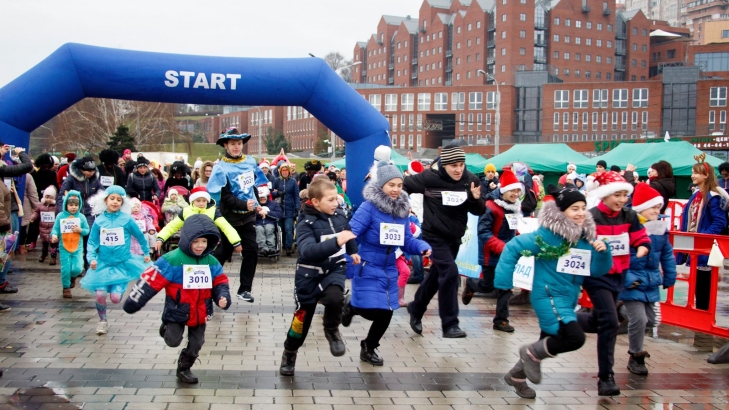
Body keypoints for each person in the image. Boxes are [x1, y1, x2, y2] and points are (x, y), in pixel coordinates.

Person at [496, 185, 613, 399]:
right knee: (574, 338)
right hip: (548, 296)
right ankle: (529, 354)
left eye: (583, 208)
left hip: (568, 299)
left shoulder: (585, 238)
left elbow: (596, 271)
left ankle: (517, 376)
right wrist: (504, 282)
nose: (580, 213)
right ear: (561, 212)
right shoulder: (548, 236)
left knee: (547, 342)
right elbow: (513, 247)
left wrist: (604, 253)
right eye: (574, 209)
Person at [342, 162, 431, 365]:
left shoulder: (402, 210)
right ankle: (351, 306)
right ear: (381, 185)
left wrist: (422, 246)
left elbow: (407, 241)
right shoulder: (369, 208)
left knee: (387, 311)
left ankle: (369, 347)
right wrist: (348, 262)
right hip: (367, 264)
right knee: (369, 309)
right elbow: (350, 234)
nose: (396, 189)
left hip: (389, 268)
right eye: (391, 185)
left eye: (399, 185)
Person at [124, 214, 231, 383]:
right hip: (177, 309)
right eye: (196, 241)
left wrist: (222, 296)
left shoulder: (211, 261)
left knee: (197, 343)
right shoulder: (171, 259)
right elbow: (152, 280)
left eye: (204, 241)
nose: (200, 246)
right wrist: (134, 301)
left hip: (201, 310)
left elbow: (220, 281)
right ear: (187, 239)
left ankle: (184, 368)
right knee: (172, 341)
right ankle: (166, 327)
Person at [579, 171, 651, 396]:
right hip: (597, 275)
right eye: (616, 195)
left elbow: (640, 236)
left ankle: (564, 319)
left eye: (624, 195)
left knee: (597, 320)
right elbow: (578, 244)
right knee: (610, 321)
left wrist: (642, 246)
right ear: (605, 195)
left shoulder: (629, 216)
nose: (621, 200)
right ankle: (606, 377)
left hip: (619, 275)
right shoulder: (591, 217)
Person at [279, 178, 360, 376]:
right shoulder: (305, 222)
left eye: (336, 198)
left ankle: (332, 330)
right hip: (309, 275)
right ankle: (290, 351)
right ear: (315, 202)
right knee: (301, 322)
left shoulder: (340, 215)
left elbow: (347, 232)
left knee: (335, 298)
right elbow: (307, 251)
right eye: (330, 200)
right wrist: (336, 242)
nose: (335, 203)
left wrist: (353, 251)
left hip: (334, 269)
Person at [404, 144, 485, 338]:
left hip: (455, 238)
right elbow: (404, 185)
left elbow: (479, 211)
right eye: (453, 165)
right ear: (444, 165)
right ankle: (450, 325)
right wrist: (402, 205)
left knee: (435, 277)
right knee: (450, 273)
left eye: (461, 165)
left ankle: (416, 307)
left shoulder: (470, 180)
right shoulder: (429, 178)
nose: (458, 169)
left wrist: (475, 199)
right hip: (433, 236)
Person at [618, 183, 676, 376]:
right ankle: (636, 356)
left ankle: (619, 310)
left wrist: (670, 275)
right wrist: (627, 278)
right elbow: (619, 256)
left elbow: (666, 253)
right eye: (653, 207)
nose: (657, 211)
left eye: (658, 207)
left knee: (652, 320)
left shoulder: (659, 229)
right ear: (641, 208)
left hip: (650, 281)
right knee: (640, 319)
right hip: (632, 282)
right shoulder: (628, 227)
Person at [207, 128, 268, 302]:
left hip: (247, 217)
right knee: (223, 253)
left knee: (252, 250)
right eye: (233, 144)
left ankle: (244, 289)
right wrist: (243, 204)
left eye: (239, 143)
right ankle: (209, 286)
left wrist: (257, 205)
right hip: (230, 218)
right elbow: (225, 197)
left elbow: (251, 188)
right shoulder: (220, 168)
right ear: (225, 145)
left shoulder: (249, 162)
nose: (236, 147)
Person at [82, 186, 151, 335]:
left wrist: (146, 252)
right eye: (112, 199)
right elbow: (92, 242)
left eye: (119, 200)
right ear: (105, 201)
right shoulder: (99, 221)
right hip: (103, 264)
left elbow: (140, 236)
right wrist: (91, 258)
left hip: (122, 264)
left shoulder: (127, 219)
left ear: (123, 203)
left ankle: (119, 288)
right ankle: (102, 321)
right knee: (100, 294)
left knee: (115, 298)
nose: (115, 202)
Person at [462, 168, 522, 333]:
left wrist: (520, 241)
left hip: (507, 256)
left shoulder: (514, 207)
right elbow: (483, 232)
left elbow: (513, 228)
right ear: (504, 190)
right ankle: (472, 284)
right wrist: (502, 247)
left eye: (518, 191)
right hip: (490, 255)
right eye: (512, 190)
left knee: (506, 287)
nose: (515, 194)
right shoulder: (490, 206)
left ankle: (501, 320)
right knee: (488, 287)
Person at [676, 156, 728, 311]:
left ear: (706, 175)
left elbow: (720, 221)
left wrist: (703, 237)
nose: (692, 175)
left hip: (704, 247)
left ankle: (704, 315)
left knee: (704, 286)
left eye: (696, 173)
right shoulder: (696, 194)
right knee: (698, 285)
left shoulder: (713, 197)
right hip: (695, 246)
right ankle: (700, 313)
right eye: (692, 172)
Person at [56, 156, 103, 272]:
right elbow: (61, 196)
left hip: (90, 213)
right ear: (81, 170)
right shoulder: (71, 179)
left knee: (89, 236)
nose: (91, 173)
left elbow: (102, 193)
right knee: (75, 239)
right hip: (74, 214)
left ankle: (88, 263)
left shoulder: (95, 179)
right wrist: (62, 213)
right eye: (88, 170)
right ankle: (75, 264)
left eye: (93, 170)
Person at [50, 191, 90, 299]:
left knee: (78, 268)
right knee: (65, 269)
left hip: (77, 247)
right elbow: (55, 229)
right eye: (71, 205)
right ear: (66, 204)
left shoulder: (81, 217)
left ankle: (73, 277)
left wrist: (80, 230)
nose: (73, 207)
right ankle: (66, 288)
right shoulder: (60, 216)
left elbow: (87, 230)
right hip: (64, 247)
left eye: (76, 205)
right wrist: (54, 235)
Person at [272, 163, 300, 256]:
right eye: (283, 171)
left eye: (286, 171)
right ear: (280, 172)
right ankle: (281, 245)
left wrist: (297, 207)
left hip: (289, 208)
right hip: (279, 208)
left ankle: (288, 247)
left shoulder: (293, 181)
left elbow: (296, 196)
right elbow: (271, 193)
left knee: (288, 228)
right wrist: (278, 193)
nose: (284, 172)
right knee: (280, 228)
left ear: (289, 172)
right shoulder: (277, 180)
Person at [30, 186, 59, 265]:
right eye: (47, 197)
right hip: (43, 228)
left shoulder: (56, 207)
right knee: (44, 244)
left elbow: (59, 215)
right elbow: (36, 212)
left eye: (50, 197)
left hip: (52, 229)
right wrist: (33, 218)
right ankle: (44, 254)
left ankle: (53, 257)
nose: (48, 199)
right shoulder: (40, 205)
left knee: (53, 244)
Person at [255, 186, 283, 256]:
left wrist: (267, 212)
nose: (262, 199)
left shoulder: (274, 204)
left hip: (270, 223)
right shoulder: (255, 205)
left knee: (268, 228)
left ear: (267, 196)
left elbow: (279, 215)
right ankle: (262, 248)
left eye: (263, 197)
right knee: (259, 229)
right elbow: (249, 215)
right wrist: (258, 213)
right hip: (258, 224)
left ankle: (271, 248)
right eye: (260, 197)